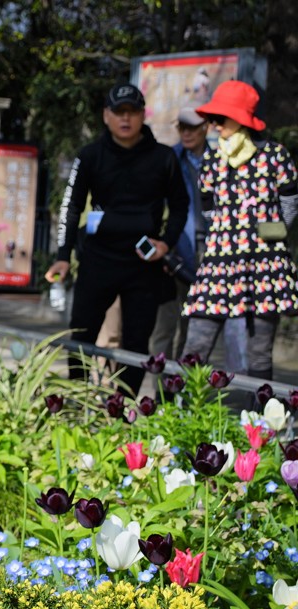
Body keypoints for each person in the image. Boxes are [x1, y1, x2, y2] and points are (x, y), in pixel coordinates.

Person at [45, 83, 189, 395]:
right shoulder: (90, 155)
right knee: (81, 334)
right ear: (106, 116)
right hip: (98, 258)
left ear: (142, 115)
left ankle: (121, 410)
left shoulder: (164, 157)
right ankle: (79, 400)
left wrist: (166, 242)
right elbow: (71, 206)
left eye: (133, 112)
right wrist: (62, 255)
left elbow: (180, 205)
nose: (126, 119)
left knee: (137, 341)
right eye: (119, 112)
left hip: (143, 263)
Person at [181, 81, 298, 382]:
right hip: (219, 263)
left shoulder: (275, 154)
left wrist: (272, 231)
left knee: (260, 352)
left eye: (221, 118)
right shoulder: (212, 159)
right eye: (212, 119)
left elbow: (290, 200)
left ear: (242, 119)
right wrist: (224, 231)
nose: (215, 125)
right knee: (196, 344)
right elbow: (206, 204)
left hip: (264, 264)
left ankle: (262, 423)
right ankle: (179, 416)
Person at [150, 106, 248, 369]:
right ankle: (162, 393)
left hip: (208, 256)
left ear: (205, 127)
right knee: (163, 327)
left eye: (192, 127)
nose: (186, 133)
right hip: (171, 251)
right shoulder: (169, 159)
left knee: (192, 328)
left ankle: (178, 389)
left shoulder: (221, 160)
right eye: (182, 127)